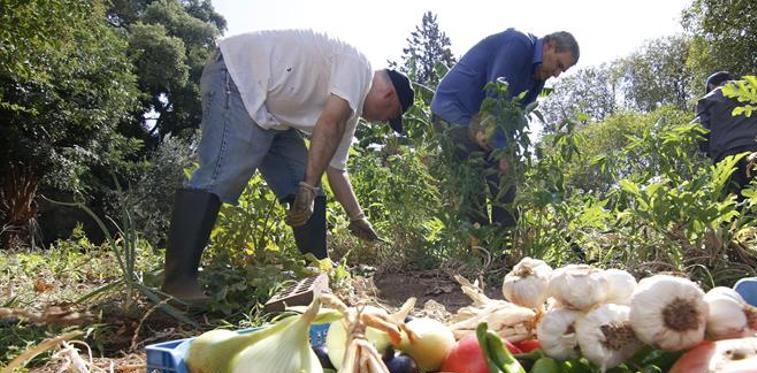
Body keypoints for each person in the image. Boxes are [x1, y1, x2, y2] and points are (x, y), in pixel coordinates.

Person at [161, 29, 414, 303]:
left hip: (272, 114)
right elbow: (328, 125)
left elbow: (336, 169)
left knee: (307, 186)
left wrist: (357, 217)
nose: (381, 122)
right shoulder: (359, 67)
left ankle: (318, 270)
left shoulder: (349, 110)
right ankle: (177, 283)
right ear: (389, 96)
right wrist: (308, 184)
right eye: (389, 117)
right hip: (237, 76)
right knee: (220, 175)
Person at [431, 29, 578, 227]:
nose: (557, 74)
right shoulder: (517, 44)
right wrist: (502, 152)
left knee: (505, 181)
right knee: (472, 184)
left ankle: (505, 249)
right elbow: (496, 96)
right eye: (559, 65)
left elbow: (514, 118)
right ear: (549, 46)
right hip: (453, 112)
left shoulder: (538, 78)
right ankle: (481, 251)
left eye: (563, 70)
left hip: (481, 122)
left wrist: (508, 153)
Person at [696, 71, 757, 203]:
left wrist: (711, 152)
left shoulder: (707, 100)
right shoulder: (755, 89)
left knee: (734, 206)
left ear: (711, 86)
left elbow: (701, 132)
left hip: (726, 156)